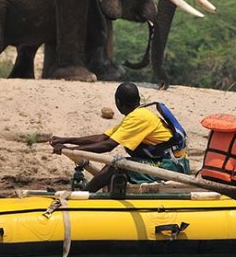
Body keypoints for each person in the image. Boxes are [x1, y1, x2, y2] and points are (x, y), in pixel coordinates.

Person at [50, 82, 190, 192]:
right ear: (138, 100)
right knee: (114, 166)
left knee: (116, 167)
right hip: (166, 163)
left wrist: (71, 150)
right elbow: (102, 138)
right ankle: (87, 195)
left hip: (171, 167)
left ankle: (82, 198)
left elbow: (107, 145)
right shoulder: (136, 115)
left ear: (118, 102)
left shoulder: (138, 117)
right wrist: (66, 140)